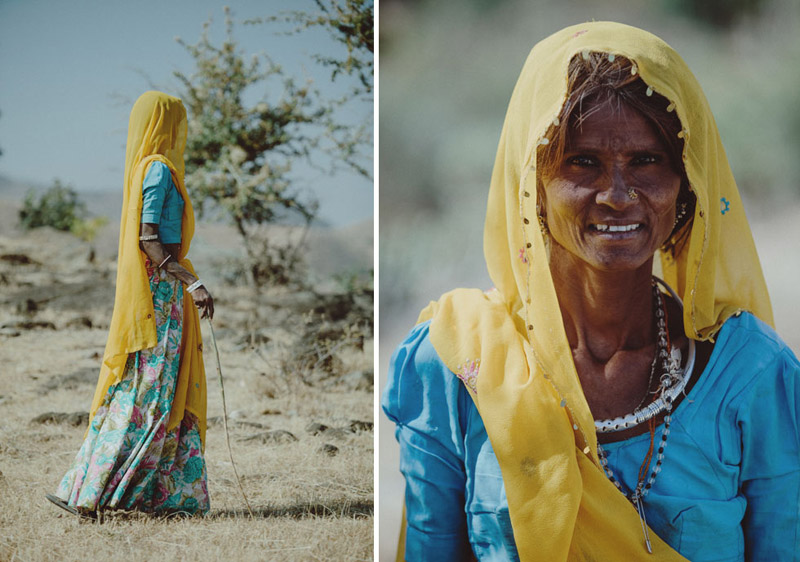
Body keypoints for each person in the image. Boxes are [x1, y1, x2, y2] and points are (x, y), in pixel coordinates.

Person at [382, 22, 800, 561]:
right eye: (583, 162)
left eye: (647, 161)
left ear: (687, 185)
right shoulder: (457, 365)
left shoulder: (749, 375)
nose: (619, 195)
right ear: (533, 183)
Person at [47, 91, 214, 517]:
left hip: (162, 291)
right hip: (160, 294)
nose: (182, 132)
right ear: (166, 125)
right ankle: (100, 492)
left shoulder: (147, 170)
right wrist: (192, 283)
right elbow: (149, 239)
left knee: (149, 390)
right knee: (150, 394)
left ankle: (110, 491)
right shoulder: (158, 170)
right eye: (178, 122)